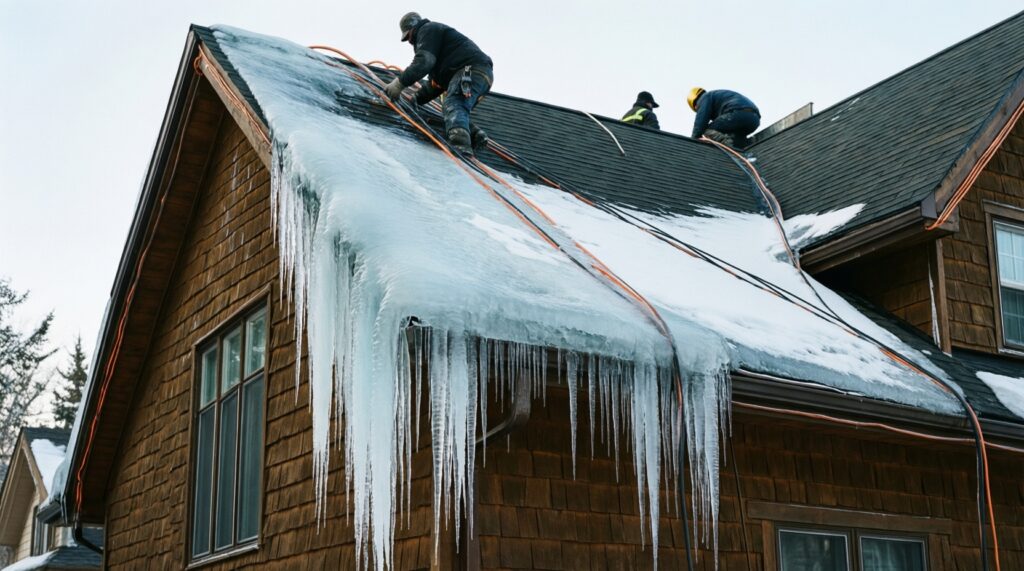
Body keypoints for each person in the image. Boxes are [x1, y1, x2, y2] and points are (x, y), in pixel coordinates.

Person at [384, 12, 493, 155]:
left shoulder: (427, 29)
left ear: (413, 29)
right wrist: (415, 99)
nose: (410, 42)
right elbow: (435, 85)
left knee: (454, 103)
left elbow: (424, 62)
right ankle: (474, 135)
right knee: (454, 109)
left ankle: (460, 146)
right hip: (477, 73)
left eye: (408, 37)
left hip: (469, 70)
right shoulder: (441, 55)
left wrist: (399, 84)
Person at [688, 87, 761, 148]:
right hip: (754, 119)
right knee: (734, 137)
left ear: (695, 106)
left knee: (707, 130)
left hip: (738, 114)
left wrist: (693, 141)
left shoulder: (704, 98)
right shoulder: (716, 97)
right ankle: (744, 146)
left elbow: (700, 123)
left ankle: (727, 146)